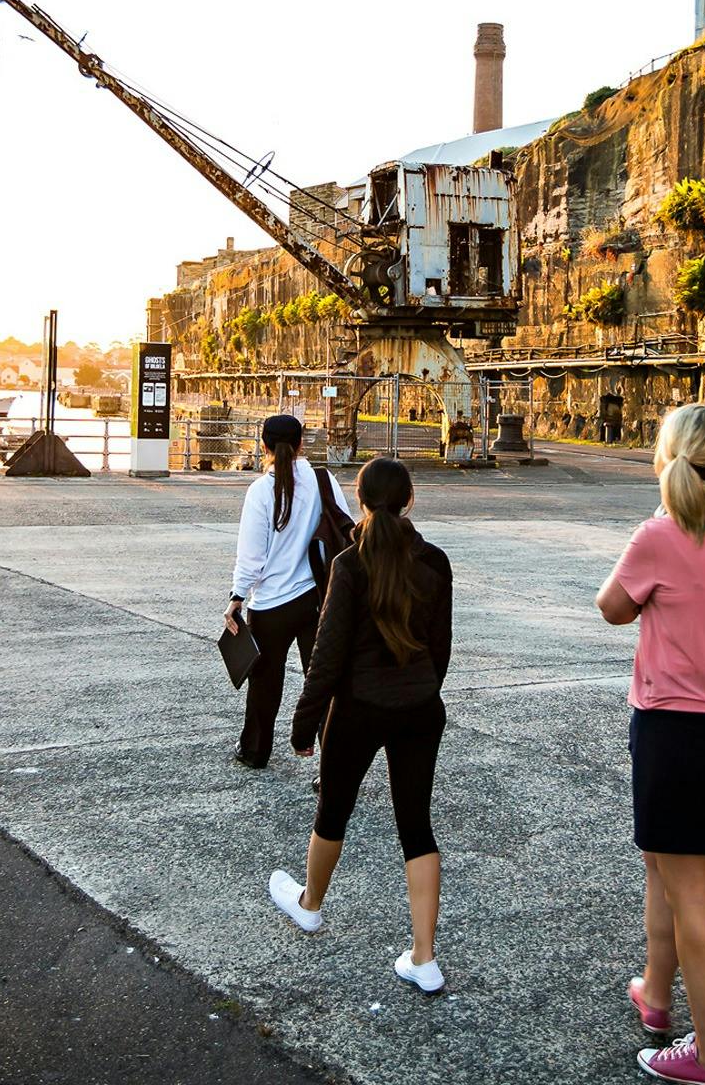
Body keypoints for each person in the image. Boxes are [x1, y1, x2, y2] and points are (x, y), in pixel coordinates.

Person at [596, 404, 705, 1085]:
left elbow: (611, 606)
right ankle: (658, 993)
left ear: (665, 459)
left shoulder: (661, 534)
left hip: (677, 729)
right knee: (664, 867)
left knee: (693, 890)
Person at [268, 458, 454, 994]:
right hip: (420, 708)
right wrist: (422, 688)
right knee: (416, 827)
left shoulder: (349, 565)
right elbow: (440, 647)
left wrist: (304, 727)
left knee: (334, 812)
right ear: (410, 499)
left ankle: (310, 904)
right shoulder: (435, 562)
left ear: (363, 500)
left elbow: (327, 656)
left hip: (357, 708)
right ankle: (424, 957)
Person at [225, 414, 352, 769]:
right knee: (323, 682)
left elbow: (251, 556)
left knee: (264, 682)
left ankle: (255, 750)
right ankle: (332, 768)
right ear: (301, 443)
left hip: (271, 605)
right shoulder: (324, 481)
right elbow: (342, 532)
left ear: (263, 445)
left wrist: (237, 597)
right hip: (317, 599)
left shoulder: (260, 491)